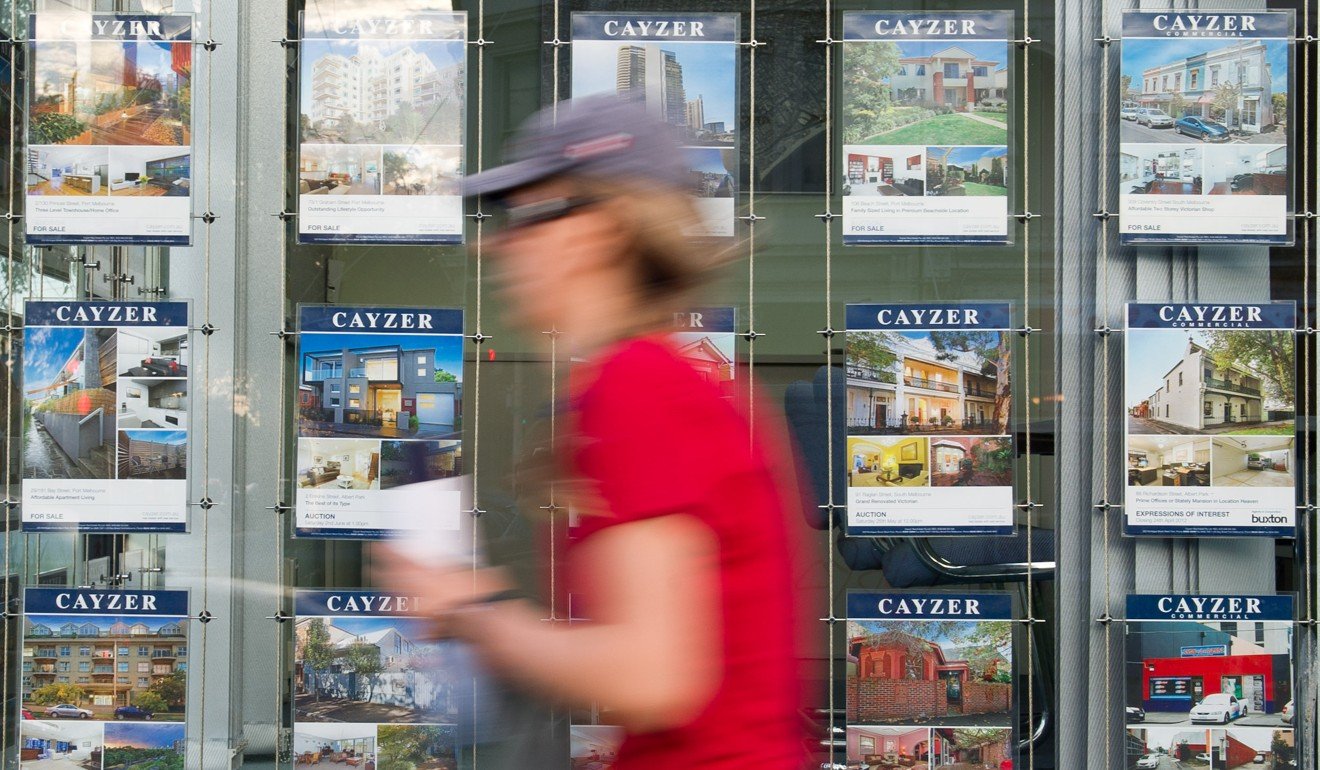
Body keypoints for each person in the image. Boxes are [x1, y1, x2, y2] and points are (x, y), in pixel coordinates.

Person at [377, 96, 804, 770]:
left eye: (521, 215)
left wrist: (469, 611)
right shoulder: (667, 378)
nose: (493, 242)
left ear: (598, 228)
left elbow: (651, 676)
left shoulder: (640, 385)